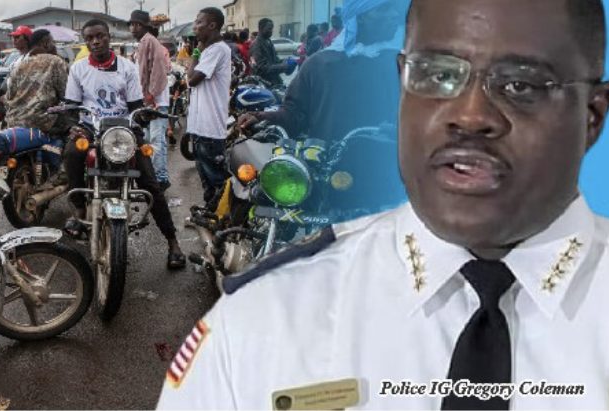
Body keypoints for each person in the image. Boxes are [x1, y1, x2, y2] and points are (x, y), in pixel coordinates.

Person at [158, 0, 609, 408]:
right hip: (323, 179)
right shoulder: (259, 321)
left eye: (521, 84)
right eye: (437, 75)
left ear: (593, 114)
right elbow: (293, 114)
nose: (470, 114)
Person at [239, 0, 408, 217]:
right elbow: (294, 113)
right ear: (361, 16)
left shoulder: (406, 66)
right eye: (384, 9)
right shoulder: (320, 65)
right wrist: (260, 117)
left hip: (391, 183)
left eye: (396, 8)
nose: (395, 15)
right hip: (332, 179)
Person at [63, 19, 186, 269]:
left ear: (109, 37)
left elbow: (135, 106)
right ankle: (78, 210)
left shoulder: (127, 67)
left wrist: (143, 115)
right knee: (72, 154)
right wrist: (71, 126)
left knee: (150, 182)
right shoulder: (77, 69)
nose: (95, 41)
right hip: (91, 127)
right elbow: (70, 107)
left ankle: (173, 242)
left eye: (100, 36)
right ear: (85, 41)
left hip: (123, 127)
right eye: (90, 38)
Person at [186, 8, 232, 204]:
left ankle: (223, 221)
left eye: (199, 23)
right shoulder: (209, 50)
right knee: (206, 179)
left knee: (216, 180)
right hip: (200, 127)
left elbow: (192, 79)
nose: (195, 27)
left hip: (210, 129)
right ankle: (209, 215)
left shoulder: (217, 50)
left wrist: (196, 50)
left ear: (212, 25)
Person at [130, 9, 173, 190]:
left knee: (157, 141)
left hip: (156, 101)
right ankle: (154, 175)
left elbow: (158, 72)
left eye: (134, 25)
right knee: (148, 141)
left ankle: (161, 178)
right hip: (150, 100)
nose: (132, 29)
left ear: (140, 26)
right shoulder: (145, 42)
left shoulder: (150, 41)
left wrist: (151, 95)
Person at [5, 29, 71, 136]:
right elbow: (67, 95)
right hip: (41, 123)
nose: (54, 46)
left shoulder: (19, 65)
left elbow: (9, 95)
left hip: (13, 122)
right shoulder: (56, 62)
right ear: (45, 43)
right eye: (52, 42)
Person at [250, 18, 295, 86]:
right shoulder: (256, 45)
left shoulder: (268, 41)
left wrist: (283, 61)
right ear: (261, 28)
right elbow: (262, 68)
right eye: (269, 29)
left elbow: (274, 60)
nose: (271, 31)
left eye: (272, 29)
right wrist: (283, 67)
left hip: (274, 80)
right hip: (264, 83)